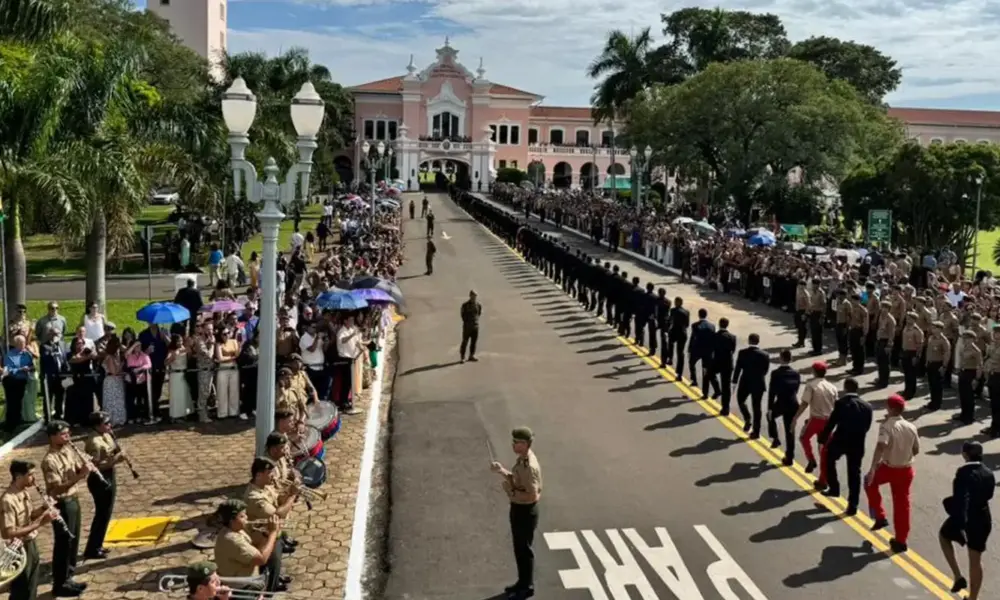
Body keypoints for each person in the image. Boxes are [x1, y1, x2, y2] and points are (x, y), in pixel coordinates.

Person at [40, 420, 94, 596]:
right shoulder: (49, 460)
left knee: (73, 540)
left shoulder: (68, 450)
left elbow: (76, 470)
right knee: (64, 543)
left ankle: (69, 577)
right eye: (63, 434)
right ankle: (60, 584)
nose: (67, 436)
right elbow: (56, 488)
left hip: (74, 499)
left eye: (68, 433)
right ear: (52, 437)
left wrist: (85, 466)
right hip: (62, 503)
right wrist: (80, 476)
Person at [863, 394, 919, 553]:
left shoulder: (886, 426)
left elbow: (881, 445)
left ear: (891, 409)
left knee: (869, 481)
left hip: (889, 468)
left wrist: (873, 467)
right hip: (906, 470)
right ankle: (901, 540)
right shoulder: (911, 427)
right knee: (902, 505)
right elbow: (916, 449)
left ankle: (879, 515)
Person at [491, 427, 541, 600]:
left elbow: (532, 494)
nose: (513, 445)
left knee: (524, 550)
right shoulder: (522, 460)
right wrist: (502, 471)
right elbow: (518, 479)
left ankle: (527, 587)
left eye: (516, 442)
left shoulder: (528, 466)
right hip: (520, 508)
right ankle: (522, 582)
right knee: (519, 548)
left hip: (525, 510)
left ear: (525, 444)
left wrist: (511, 492)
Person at [940, 441, 995, 599]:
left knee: (943, 536)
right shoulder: (988, 473)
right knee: (975, 559)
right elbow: (989, 495)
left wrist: (960, 524)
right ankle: (973, 597)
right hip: (984, 517)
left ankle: (958, 576)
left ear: (965, 455)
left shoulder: (963, 473)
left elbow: (961, 499)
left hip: (968, 517)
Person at [1, 460, 56, 600]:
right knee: (22, 587)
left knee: (32, 583)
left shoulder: (23, 491)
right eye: (30, 475)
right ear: (19, 477)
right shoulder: (8, 500)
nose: (34, 478)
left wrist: (43, 508)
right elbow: (8, 533)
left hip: (30, 542)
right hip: (19, 548)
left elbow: (30, 516)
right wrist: (40, 523)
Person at [818, 378, 873, 515]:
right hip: (858, 443)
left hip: (841, 440)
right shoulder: (867, 406)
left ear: (845, 388)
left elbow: (832, 423)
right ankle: (853, 505)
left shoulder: (841, 403)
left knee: (829, 459)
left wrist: (823, 438)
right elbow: (867, 426)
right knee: (854, 473)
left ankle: (834, 487)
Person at [243, 458, 293, 592]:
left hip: (271, 532)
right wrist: (292, 497)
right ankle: (272, 586)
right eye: (270, 473)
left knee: (277, 560)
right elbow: (278, 514)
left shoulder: (266, 486)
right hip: (261, 537)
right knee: (272, 562)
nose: (273, 475)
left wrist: (289, 493)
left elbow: (279, 500)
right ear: (259, 475)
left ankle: (276, 577)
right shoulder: (254, 497)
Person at [83, 411, 125, 560]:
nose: (109, 425)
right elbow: (95, 466)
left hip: (109, 474)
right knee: (102, 514)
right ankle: (92, 548)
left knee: (106, 514)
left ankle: (98, 544)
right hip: (99, 479)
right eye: (106, 423)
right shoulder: (94, 442)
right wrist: (116, 460)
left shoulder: (106, 434)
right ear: (97, 426)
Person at [213, 499, 278, 590]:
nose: (246, 518)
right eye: (242, 516)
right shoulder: (232, 539)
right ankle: (271, 588)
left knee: (273, 547)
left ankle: (274, 582)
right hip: (243, 585)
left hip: (247, 574)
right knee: (275, 547)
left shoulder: (235, 530)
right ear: (232, 520)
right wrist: (273, 532)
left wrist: (266, 534)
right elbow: (261, 560)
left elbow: (253, 547)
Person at [794, 361, 838, 488]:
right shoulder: (833, 388)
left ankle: (811, 459)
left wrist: (795, 418)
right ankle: (823, 480)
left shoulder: (811, 385)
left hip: (816, 420)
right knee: (824, 451)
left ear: (814, 372)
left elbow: (804, 403)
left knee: (803, 438)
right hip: (828, 422)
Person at [767, 349, 801, 465]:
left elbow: (772, 392)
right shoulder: (796, 373)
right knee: (790, 431)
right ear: (791, 359)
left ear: (780, 358)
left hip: (781, 403)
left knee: (770, 417)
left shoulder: (776, 373)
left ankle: (775, 438)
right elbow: (796, 389)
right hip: (793, 403)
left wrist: (770, 408)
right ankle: (790, 457)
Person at [733, 333, 769, 437]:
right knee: (757, 407)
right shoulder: (765, 355)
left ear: (749, 341)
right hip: (758, 383)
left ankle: (747, 418)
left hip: (745, 381)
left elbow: (738, 368)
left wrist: (734, 381)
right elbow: (765, 370)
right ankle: (756, 432)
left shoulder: (742, 353)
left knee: (741, 400)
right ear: (758, 341)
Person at [3, 335, 34, 431]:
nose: (22, 345)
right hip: (11, 381)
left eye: (23, 343)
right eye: (20, 343)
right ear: (15, 344)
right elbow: (8, 370)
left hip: (22, 381)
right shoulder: (10, 355)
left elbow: (32, 365)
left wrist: (30, 368)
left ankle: (17, 421)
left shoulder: (27, 354)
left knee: (19, 402)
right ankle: (10, 425)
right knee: (12, 403)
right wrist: (21, 369)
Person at [710, 318, 737, 414]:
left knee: (710, 374)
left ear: (719, 324)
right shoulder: (732, 337)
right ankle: (726, 408)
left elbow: (712, 349)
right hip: (728, 363)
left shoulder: (714, 336)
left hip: (717, 362)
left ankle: (717, 390)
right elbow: (733, 350)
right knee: (726, 386)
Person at [460, 290, 482, 363]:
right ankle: (462, 357)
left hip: (475, 326)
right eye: (472, 296)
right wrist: (467, 322)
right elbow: (462, 315)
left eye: (475, 296)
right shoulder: (465, 305)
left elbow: (478, 314)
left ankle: (471, 355)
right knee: (465, 342)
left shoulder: (478, 305)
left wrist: (475, 322)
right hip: (467, 327)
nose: (474, 297)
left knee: (473, 342)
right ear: (470, 296)